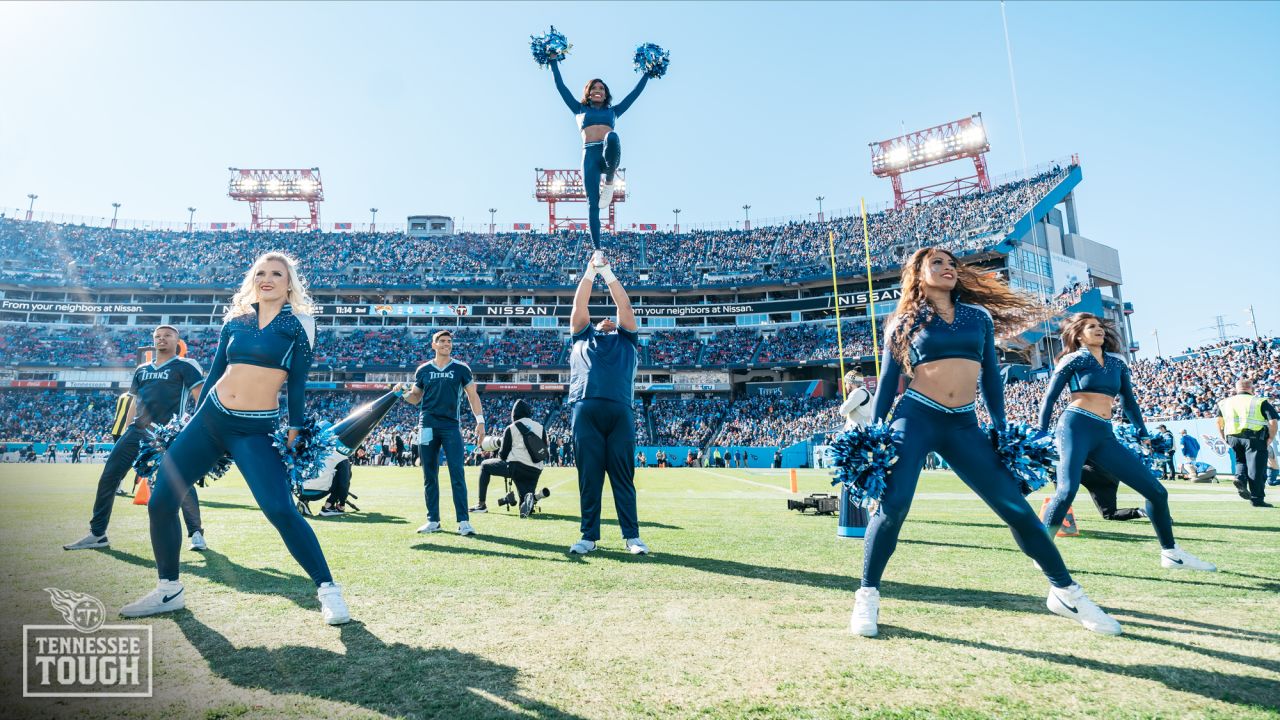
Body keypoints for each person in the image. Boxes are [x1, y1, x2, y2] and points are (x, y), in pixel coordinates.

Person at [855, 248, 1122, 638]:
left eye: (951, 264)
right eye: (937, 264)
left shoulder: (977, 317)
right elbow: (888, 379)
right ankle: (867, 595)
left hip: (963, 424)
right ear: (918, 273)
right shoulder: (903, 321)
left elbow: (991, 377)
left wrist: (999, 428)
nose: (948, 269)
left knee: (1015, 507)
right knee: (893, 508)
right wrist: (874, 435)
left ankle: (1066, 592)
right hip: (915, 417)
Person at [120, 252, 349, 625]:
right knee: (161, 500)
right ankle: (168, 589)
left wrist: (294, 427)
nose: (268, 279)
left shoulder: (300, 324)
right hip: (210, 419)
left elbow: (298, 381)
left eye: (277, 273)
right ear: (253, 279)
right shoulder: (236, 320)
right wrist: (189, 421)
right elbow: (214, 374)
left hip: (255, 428)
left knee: (279, 509)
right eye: (261, 273)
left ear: (289, 282)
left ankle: (328, 589)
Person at [1038, 313, 1214, 572]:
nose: (1098, 330)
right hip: (1075, 425)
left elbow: (1129, 402)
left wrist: (1143, 433)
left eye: (1100, 326)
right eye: (1091, 327)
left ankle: (1171, 553)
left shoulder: (1117, 362)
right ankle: (1042, 552)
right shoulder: (1072, 359)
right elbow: (1049, 398)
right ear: (1078, 335)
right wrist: (1041, 435)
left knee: (1156, 491)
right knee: (1066, 491)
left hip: (1104, 433)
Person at [64, 325, 208, 553]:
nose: (162, 339)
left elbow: (200, 398)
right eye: (158, 336)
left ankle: (196, 533)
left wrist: (195, 430)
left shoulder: (185, 366)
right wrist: (124, 432)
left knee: (181, 483)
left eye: (167, 336)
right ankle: (98, 533)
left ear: (177, 341)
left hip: (166, 434)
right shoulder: (142, 369)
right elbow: (134, 402)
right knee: (109, 477)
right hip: (136, 430)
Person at [566, 251, 647, 555]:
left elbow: (623, 306)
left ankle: (632, 537)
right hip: (584, 408)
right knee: (589, 478)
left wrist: (608, 272)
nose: (606, 321)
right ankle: (588, 536)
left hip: (620, 411)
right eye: (599, 321)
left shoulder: (627, 339)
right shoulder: (580, 337)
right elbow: (580, 305)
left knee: (623, 477)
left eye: (610, 321)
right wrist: (589, 272)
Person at [548, 58, 650, 249]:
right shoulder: (579, 109)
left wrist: (647, 73)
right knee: (592, 204)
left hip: (607, 155)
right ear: (588, 92)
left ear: (606, 95)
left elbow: (634, 94)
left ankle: (610, 181)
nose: (598, 90)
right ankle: (597, 250)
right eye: (594, 87)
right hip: (589, 157)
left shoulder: (614, 111)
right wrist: (553, 62)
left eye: (602, 88)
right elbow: (560, 86)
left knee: (612, 136)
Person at [403, 330, 485, 536]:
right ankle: (433, 520)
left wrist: (480, 421)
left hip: (450, 426)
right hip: (427, 425)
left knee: (457, 472)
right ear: (434, 345)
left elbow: (472, 396)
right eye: (442, 341)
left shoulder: (461, 368)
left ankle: (464, 521)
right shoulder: (423, 370)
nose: (446, 344)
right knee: (429, 474)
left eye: (449, 341)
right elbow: (415, 397)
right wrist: (401, 393)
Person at [472, 399, 547, 518]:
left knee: (485, 466)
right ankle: (531, 499)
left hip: (516, 467)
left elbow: (503, 455)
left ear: (514, 414)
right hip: (535, 470)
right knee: (525, 502)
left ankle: (481, 505)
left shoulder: (511, 428)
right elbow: (543, 450)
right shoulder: (541, 427)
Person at [1216, 377, 1279, 507]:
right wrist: (1270, 438)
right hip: (1254, 438)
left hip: (1232, 437)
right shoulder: (1259, 401)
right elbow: (1273, 421)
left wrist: (1223, 437)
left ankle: (1239, 478)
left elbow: (1218, 422)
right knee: (1256, 469)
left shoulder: (1224, 402)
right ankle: (1257, 499)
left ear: (1236, 389)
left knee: (1241, 461)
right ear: (1252, 388)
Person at [1079, 461, 1148, 522]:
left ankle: (1068, 507)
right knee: (1109, 514)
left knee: (1071, 471)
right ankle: (1142, 512)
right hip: (1112, 476)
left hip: (1092, 470)